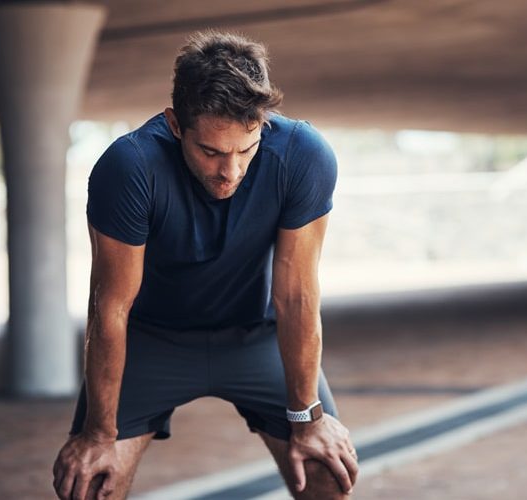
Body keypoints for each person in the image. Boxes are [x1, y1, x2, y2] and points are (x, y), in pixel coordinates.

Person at [52, 30, 358, 500]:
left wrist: (308, 419)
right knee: (89, 483)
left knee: (326, 472)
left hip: (258, 337)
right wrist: (97, 434)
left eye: (246, 149)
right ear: (176, 125)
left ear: (264, 121)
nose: (230, 170)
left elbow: (296, 296)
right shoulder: (130, 167)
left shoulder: (302, 156)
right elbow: (110, 308)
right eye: (211, 151)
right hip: (151, 340)